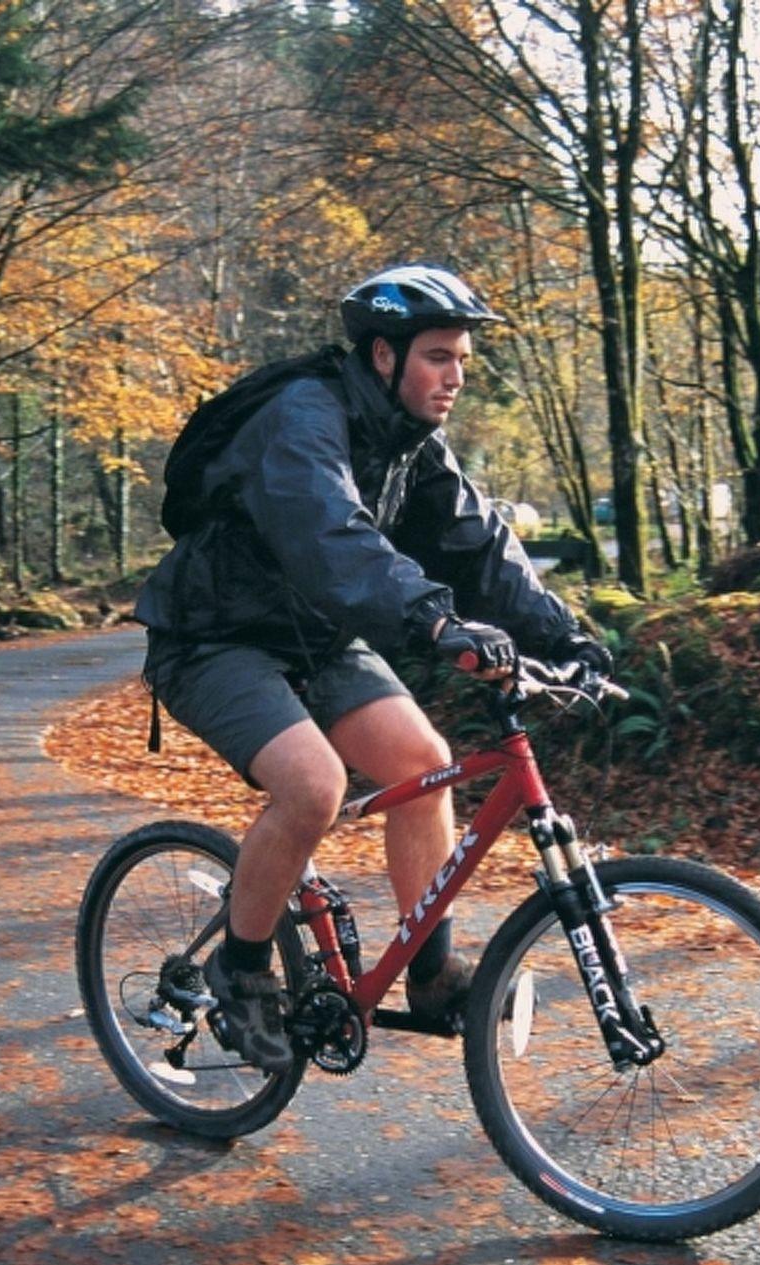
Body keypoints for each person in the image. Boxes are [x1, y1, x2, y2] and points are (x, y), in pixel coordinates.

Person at [133, 264, 612, 1074]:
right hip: (212, 638)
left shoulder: (412, 444)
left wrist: (571, 643)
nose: (455, 376)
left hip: (316, 637)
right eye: (437, 356)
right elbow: (334, 540)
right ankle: (240, 970)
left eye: (461, 359)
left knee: (425, 765)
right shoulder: (302, 418)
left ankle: (430, 975)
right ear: (384, 357)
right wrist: (433, 618)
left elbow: (481, 547)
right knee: (314, 785)